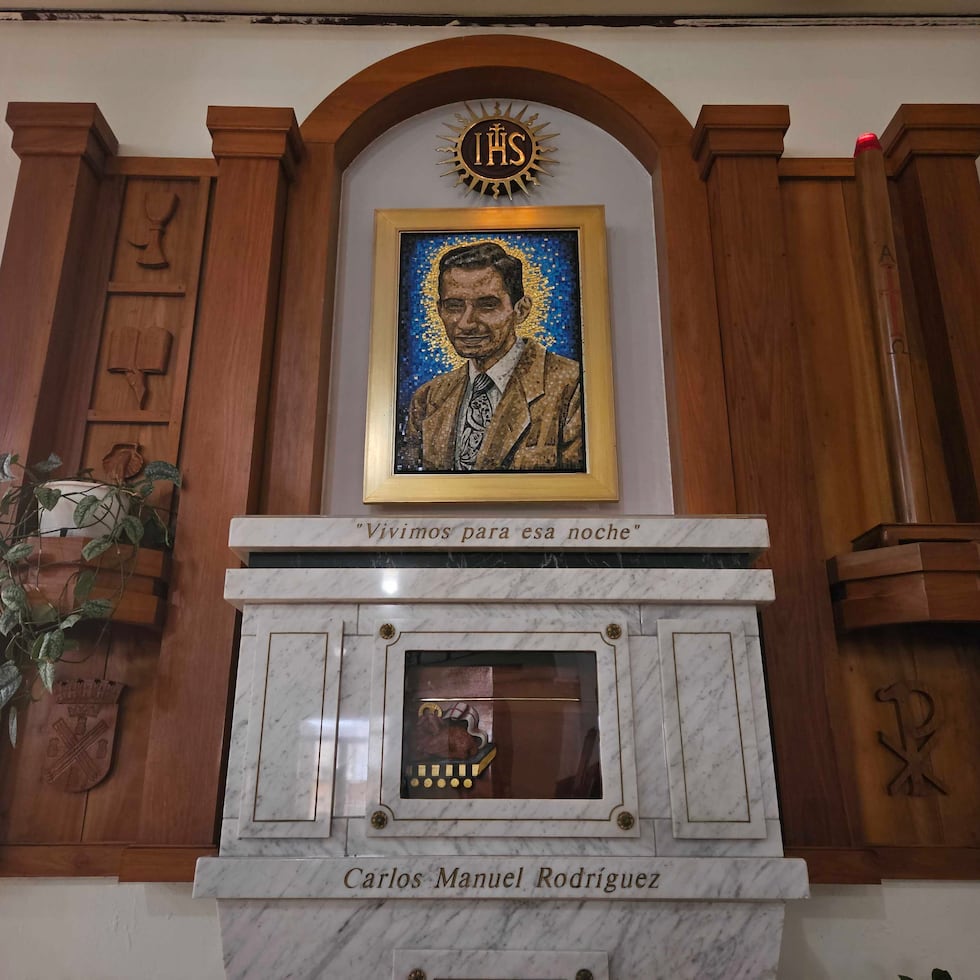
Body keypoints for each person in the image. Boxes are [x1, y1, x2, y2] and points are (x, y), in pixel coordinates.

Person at [398, 241, 583, 473]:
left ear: (521, 310)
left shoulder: (572, 386)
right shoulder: (427, 399)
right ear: (439, 310)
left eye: (487, 306)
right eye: (454, 306)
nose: (466, 323)